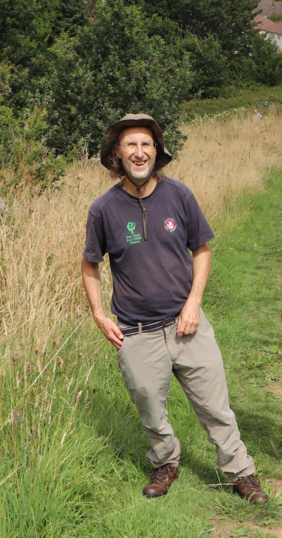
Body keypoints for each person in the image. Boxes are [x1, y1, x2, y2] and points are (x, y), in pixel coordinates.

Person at [81, 113, 268, 502]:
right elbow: (90, 263)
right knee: (150, 409)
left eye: (146, 144)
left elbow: (201, 249)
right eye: (131, 144)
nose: (139, 152)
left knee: (216, 408)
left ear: (157, 151)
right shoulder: (103, 209)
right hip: (136, 332)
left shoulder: (179, 195)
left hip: (188, 326)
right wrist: (99, 314)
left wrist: (193, 304)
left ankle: (241, 473)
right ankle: (166, 463)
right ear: (117, 153)